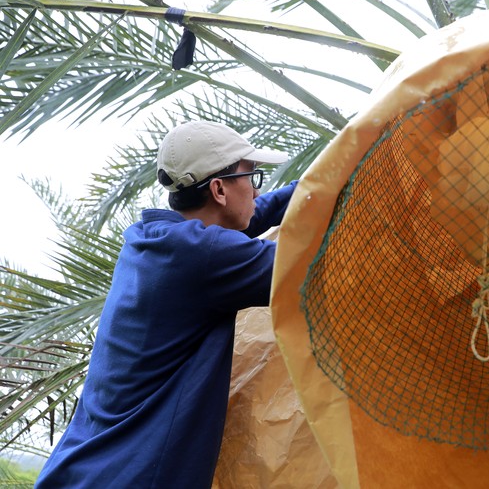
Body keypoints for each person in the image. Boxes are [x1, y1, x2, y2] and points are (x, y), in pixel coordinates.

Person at [35, 121, 298, 488]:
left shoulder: (151, 241)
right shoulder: (201, 257)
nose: (256, 190)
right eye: (251, 177)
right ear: (220, 189)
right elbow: (316, 263)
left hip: (81, 473)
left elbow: (258, 212)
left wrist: (336, 171)